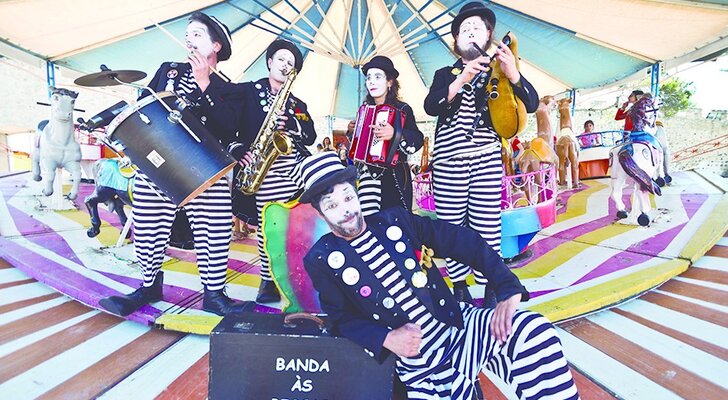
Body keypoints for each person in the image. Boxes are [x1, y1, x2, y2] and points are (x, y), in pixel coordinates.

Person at [299, 152, 579, 400]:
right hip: (418, 361)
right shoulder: (321, 259)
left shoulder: (395, 220)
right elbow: (341, 319)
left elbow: (462, 241)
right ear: (321, 214)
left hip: (458, 327)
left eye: (348, 197)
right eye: (332, 206)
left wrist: (507, 286)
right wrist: (386, 338)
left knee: (534, 333)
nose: (346, 211)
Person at [99, 12, 253, 316]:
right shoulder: (168, 70)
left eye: (197, 34)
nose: (188, 39)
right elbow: (145, 108)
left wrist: (204, 82)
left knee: (214, 231)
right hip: (158, 165)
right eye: (187, 34)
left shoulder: (231, 89)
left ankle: (214, 294)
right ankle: (149, 285)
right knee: (147, 225)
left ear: (216, 46)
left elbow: (228, 128)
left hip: (206, 170)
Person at [423, 2, 539, 303]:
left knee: (487, 225)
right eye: (464, 29)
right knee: (451, 226)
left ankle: (491, 286)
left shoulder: (500, 71)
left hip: (486, 159)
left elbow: (532, 103)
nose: (470, 32)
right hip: (448, 163)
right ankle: (459, 286)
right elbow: (431, 106)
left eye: (477, 27)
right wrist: (460, 80)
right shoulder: (444, 73)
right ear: (456, 40)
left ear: (489, 34)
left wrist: (514, 74)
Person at [204, 39, 317, 303]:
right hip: (263, 170)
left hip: (292, 167)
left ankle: (297, 276)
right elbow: (225, 123)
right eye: (281, 59)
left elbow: (310, 135)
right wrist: (237, 149)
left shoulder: (297, 104)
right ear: (269, 62)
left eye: (290, 63)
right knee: (271, 226)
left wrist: (292, 124)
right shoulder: (247, 91)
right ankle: (268, 281)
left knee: (297, 225)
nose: (285, 65)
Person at [347, 55, 424, 216]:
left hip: (394, 178)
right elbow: (359, 148)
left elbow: (418, 138)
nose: (371, 82)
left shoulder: (403, 109)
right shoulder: (364, 110)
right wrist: (353, 132)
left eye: (377, 77)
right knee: (370, 221)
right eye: (368, 78)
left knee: (396, 223)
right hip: (368, 176)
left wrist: (396, 134)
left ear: (390, 82)